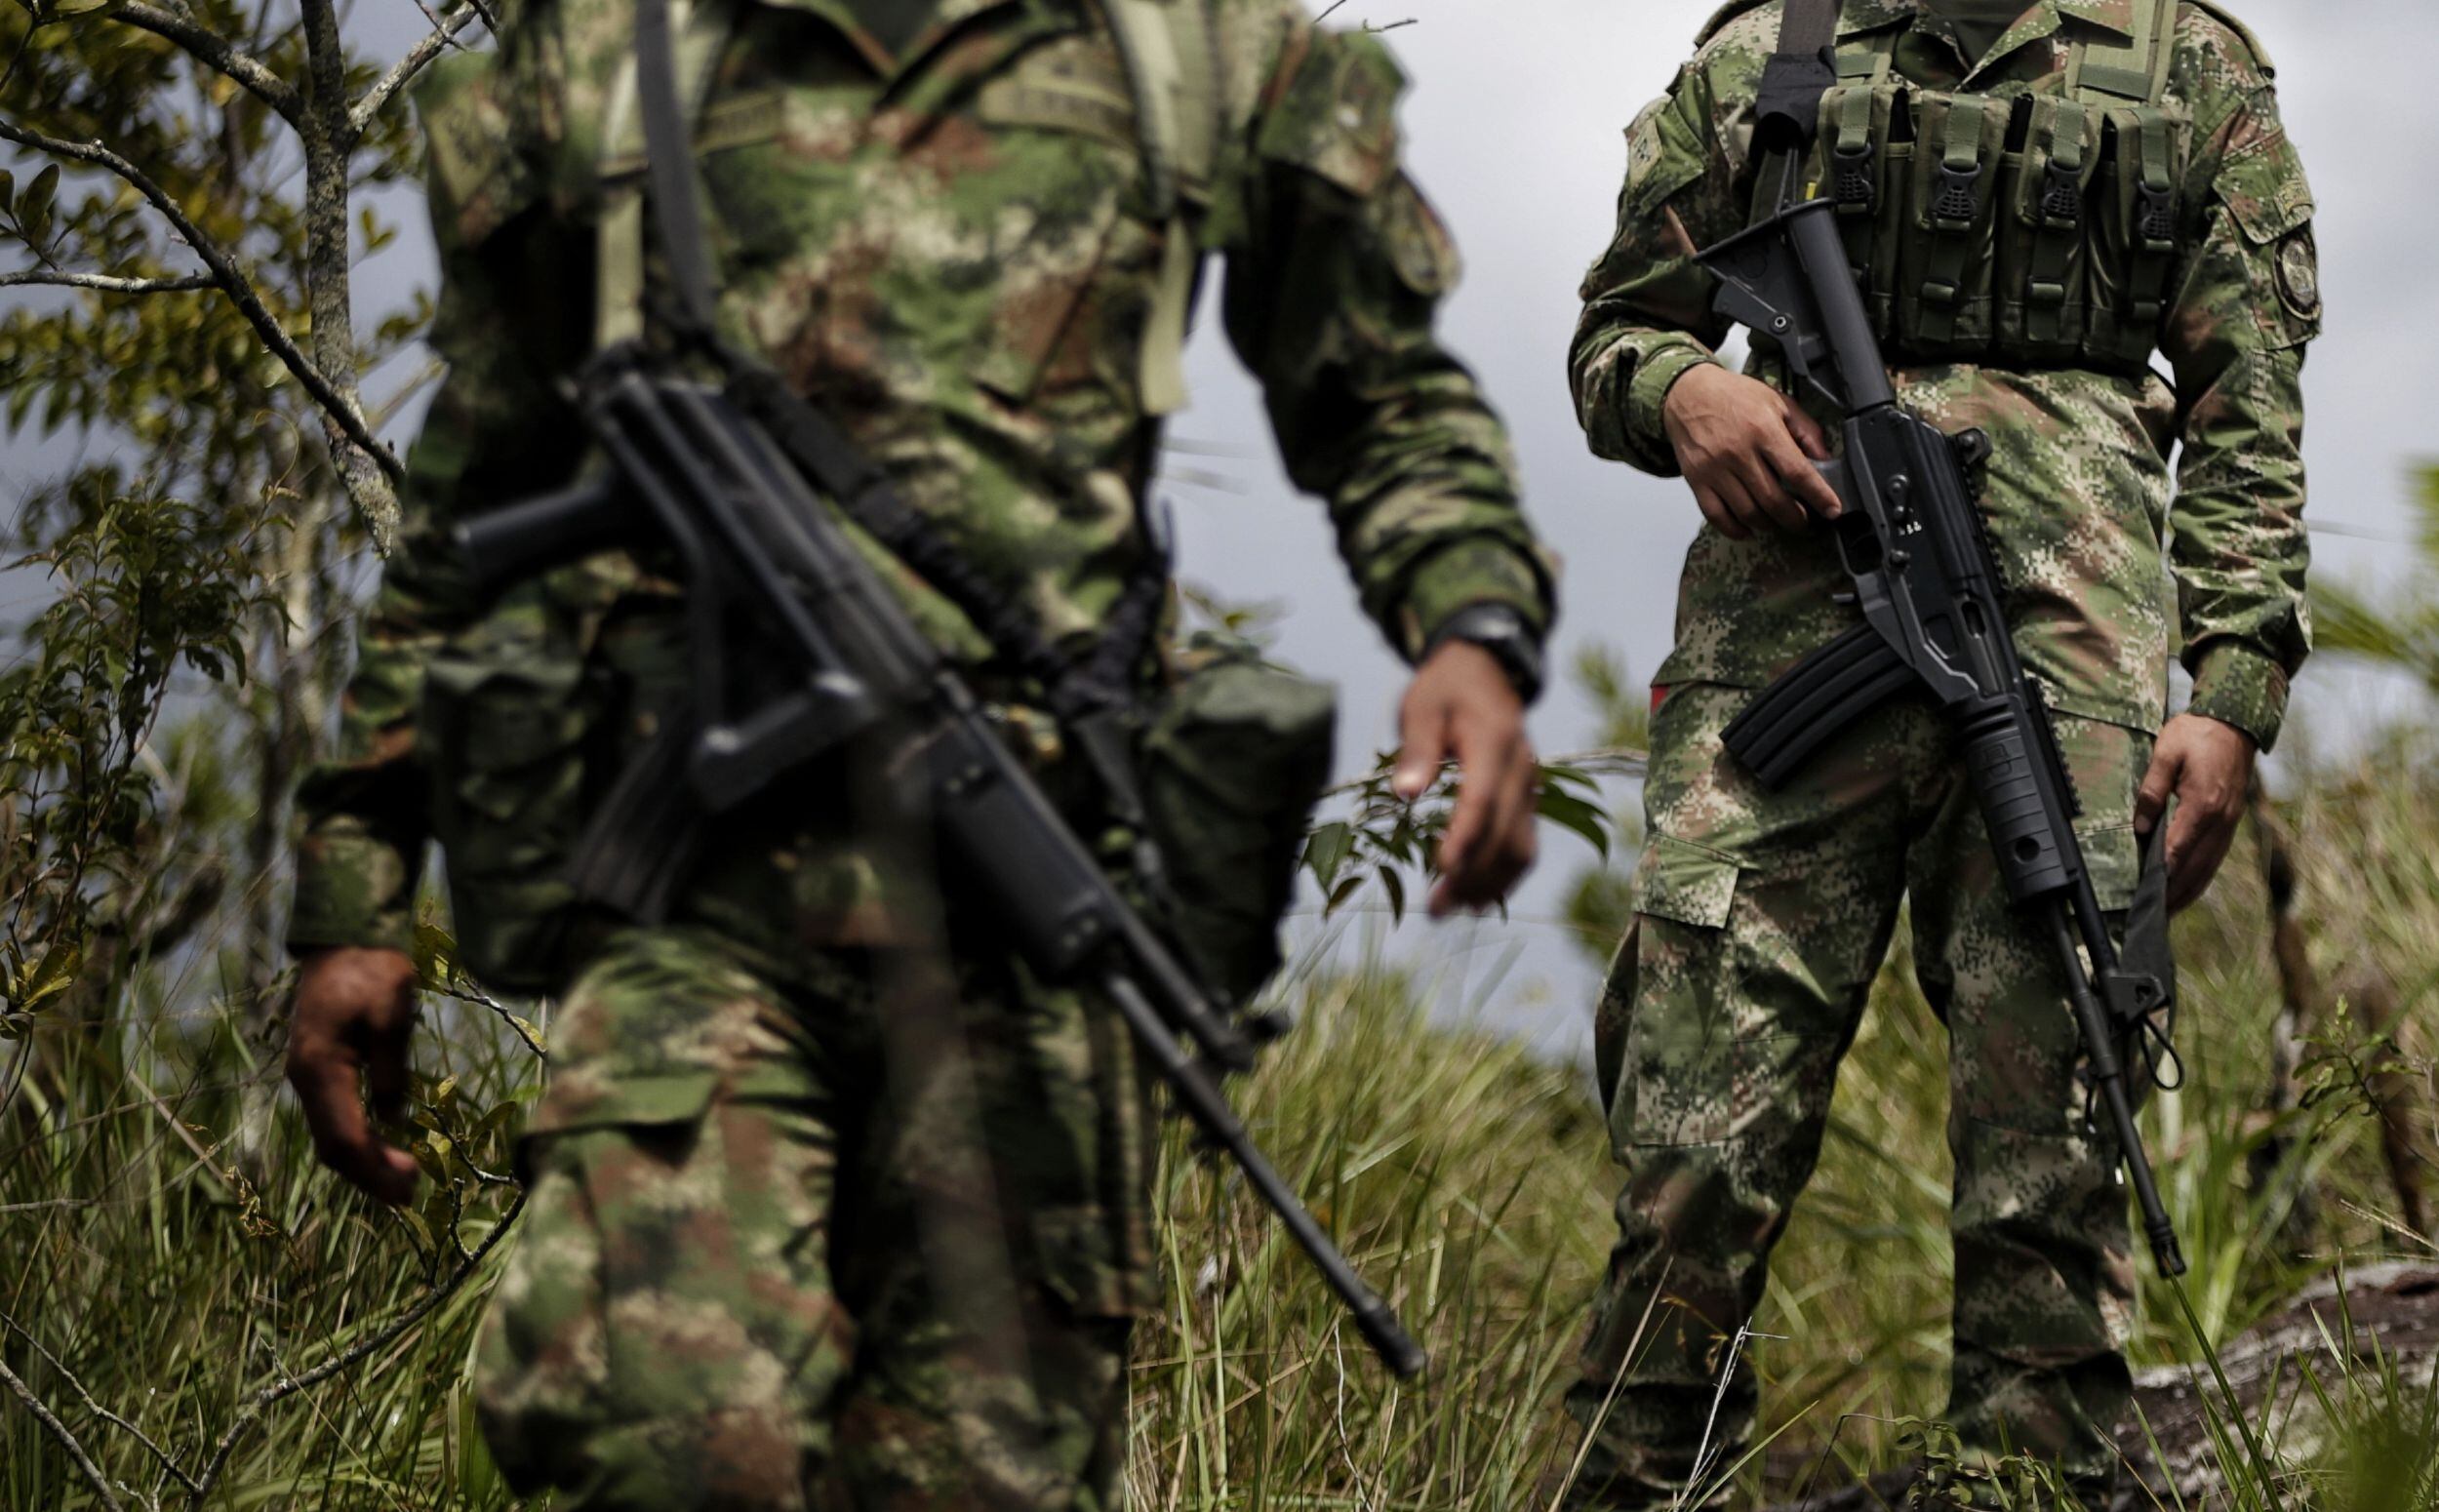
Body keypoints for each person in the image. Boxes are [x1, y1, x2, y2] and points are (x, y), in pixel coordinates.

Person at [280, 0, 1557, 1506]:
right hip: (694, 899)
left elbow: (1384, 394)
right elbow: (471, 486)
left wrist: (1470, 629)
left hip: (1025, 911)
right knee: (674, 1442)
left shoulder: (1197, 49)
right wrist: (357, 882)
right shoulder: (612, 50)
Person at [1563, 0, 2315, 1502]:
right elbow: (1614, 334)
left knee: (2052, 1172)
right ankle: (1646, 1479)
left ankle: (2027, 1486)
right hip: (1782, 661)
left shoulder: (2191, 65)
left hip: (2069, 677)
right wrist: (1684, 391)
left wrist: (2232, 690)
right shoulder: (1770, 59)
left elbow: (2251, 405)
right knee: (1690, 1150)